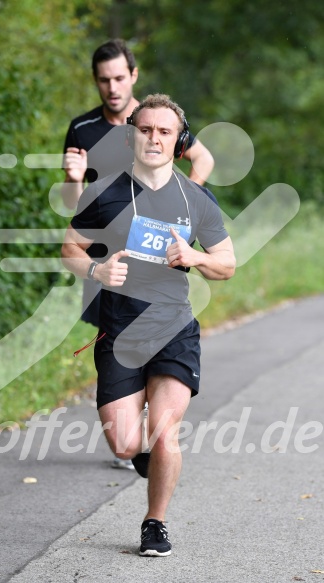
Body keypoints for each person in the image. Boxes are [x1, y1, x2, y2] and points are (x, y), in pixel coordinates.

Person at [61, 94, 235, 557]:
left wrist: (195, 256)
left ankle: (154, 522)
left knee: (165, 428)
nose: (154, 137)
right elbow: (70, 248)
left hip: (174, 326)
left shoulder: (195, 198)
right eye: (145, 129)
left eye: (164, 131)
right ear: (131, 135)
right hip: (118, 330)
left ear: (178, 141)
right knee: (123, 443)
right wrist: (96, 271)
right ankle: (141, 452)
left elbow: (227, 263)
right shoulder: (104, 193)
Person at [62, 39, 215, 471]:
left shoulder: (155, 121)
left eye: (118, 77)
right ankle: (127, 414)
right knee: (112, 329)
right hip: (107, 251)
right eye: (103, 80)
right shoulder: (83, 128)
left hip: (154, 247)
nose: (111, 87)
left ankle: (153, 413)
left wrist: (183, 206)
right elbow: (75, 203)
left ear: (133, 75)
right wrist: (75, 179)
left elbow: (202, 159)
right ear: (95, 82)